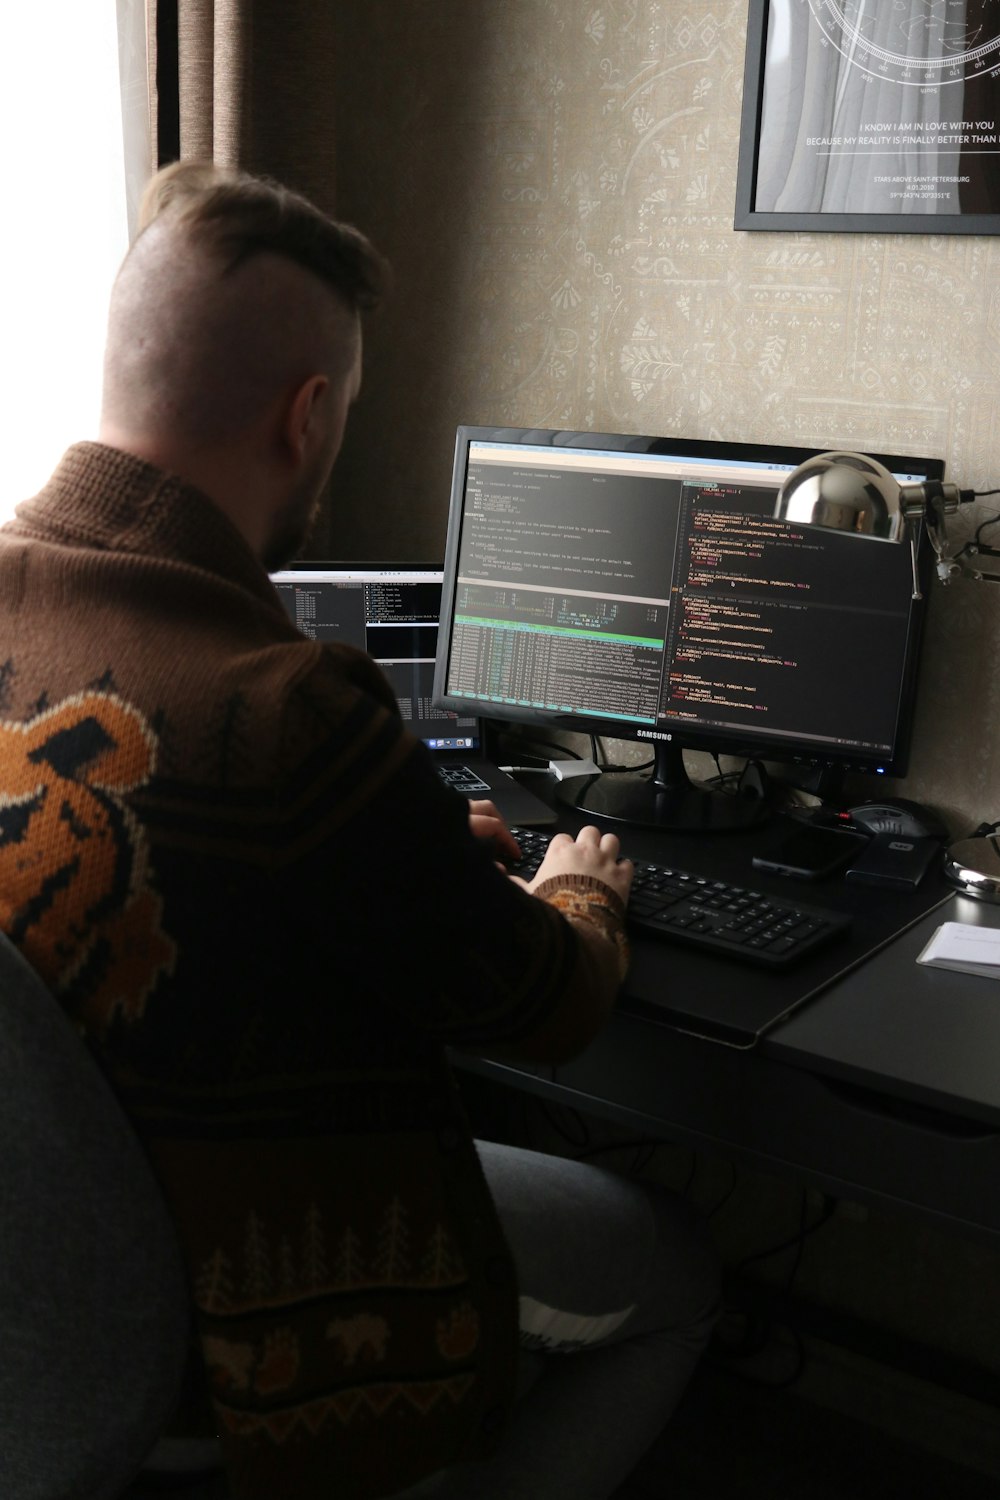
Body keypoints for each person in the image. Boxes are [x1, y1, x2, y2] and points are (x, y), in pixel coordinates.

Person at [0, 161, 718, 1499]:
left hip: (32, 1280)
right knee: (673, 1273)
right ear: (310, 413)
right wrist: (581, 891)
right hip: (238, 1300)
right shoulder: (283, 708)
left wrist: (408, 855)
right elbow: (542, 1002)